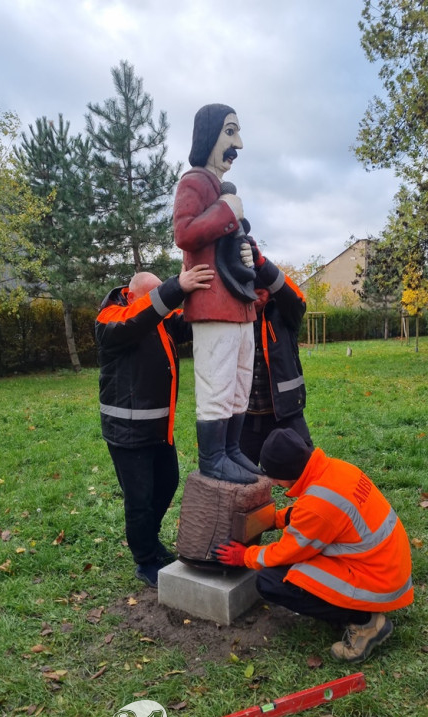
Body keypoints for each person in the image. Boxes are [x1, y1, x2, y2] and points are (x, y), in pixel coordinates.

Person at [214, 427, 414, 663]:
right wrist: (272, 519)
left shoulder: (318, 506)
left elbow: (286, 552)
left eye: (275, 477)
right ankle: (355, 611)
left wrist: (245, 556)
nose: (275, 483)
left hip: (377, 581)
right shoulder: (335, 470)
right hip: (386, 567)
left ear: (287, 473)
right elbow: (309, 514)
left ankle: (365, 622)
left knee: (272, 582)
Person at [95, 262, 214, 587]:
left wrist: (207, 295)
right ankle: (145, 559)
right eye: (152, 297)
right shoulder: (111, 319)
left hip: (159, 430)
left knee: (166, 485)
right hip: (127, 434)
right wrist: (176, 285)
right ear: (132, 295)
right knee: (140, 499)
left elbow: (189, 324)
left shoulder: (156, 317)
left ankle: (150, 540)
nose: (158, 305)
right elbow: (137, 320)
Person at [173, 103, 261, 485]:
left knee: (240, 380)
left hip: (239, 304)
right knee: (217, 381)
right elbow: (185, 234)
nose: (237, 144)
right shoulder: (193, 183)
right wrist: (226, 211)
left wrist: (246, 249)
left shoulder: (221, 189)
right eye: (230, 132)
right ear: (209, 134)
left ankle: (231, 449)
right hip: (212, 302)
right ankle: (213, 458)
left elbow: (229, 242)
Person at [239, 240, 313, 465]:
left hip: (285, 413)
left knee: (307, 466)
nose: (255, 299)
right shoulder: (237, 318)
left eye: (260, 293)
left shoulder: (285, 315)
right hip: (246, 418)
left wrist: (262, 263)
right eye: (250, 294)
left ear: (269, 292)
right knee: (240, 477)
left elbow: (295, 297)